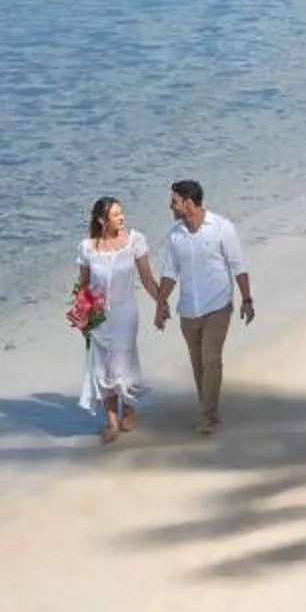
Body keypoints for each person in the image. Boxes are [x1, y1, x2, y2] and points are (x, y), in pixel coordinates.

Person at [154, 177, 253, 436]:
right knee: (198, 364)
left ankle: (208, 417)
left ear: (188, 203)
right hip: (188, 310)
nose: (170, 207)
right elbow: (170, 272)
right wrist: (161, 303)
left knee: (211, 360)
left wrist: (247, 299)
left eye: (174, 201)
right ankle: (210, 410)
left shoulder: (222, 228)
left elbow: (238, 265)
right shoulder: (175, 235)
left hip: (218, 305)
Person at [75, 197, 164, 444]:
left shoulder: (135, 240)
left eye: (121, 213)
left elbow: (146, 277)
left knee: (121, 364)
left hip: (126, 314)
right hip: (99, 317)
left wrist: (161, 301)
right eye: (115, 215)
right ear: (102, 220)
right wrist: (83, 318)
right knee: (102, 367)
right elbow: (83, 286)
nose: (122, 218)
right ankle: (112, 420)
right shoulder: (87, 248)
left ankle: (130, 407)